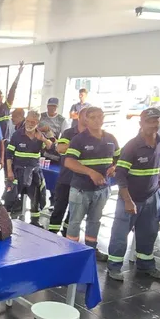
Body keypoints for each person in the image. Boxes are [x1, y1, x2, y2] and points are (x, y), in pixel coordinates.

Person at [106, 108, 160, 282]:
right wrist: (128, 200)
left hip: (151, 197)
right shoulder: (132, 146)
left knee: (149, 233)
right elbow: (120, 175)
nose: (153, 125)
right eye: (149, 121)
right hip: (130, 198)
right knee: (120, 234)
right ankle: (114, 267)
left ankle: (146, 265)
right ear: (141, 123)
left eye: (156, 121)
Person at [62, 107, 119, 259]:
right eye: (93, 117)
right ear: (86, 120)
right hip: (81, 189)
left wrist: (114, 167)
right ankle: (71, 253)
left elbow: (119, 158)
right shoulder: (79, 139)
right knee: (75, 221)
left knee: (95, 221)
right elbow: (69, 162)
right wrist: (91, 172)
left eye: (100, 117)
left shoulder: (110, 139)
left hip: (102, 189)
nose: (97, 120)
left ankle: (91, 250)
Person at [4, 110, 51, 225]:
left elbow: (51, 147)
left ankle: (35, 222)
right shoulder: (17, 135)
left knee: (36, 199)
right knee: (12, 198)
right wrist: (9, 171)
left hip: (34, 173)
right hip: (18, 172)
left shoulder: (40, 136)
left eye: (33, 122)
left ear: (37, 123)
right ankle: (10, 222)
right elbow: (9, 155)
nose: (29, 124)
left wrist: (43, 139)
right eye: (28, 121)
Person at [48, 107, 90, 235]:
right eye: (87, 116)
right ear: (80, 117)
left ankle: (67, 233)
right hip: (66, 178)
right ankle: (52, 233)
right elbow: (60, 148)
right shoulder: (68, 133)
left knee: (75, 212)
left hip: (82, 181)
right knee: (59, 207)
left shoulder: (94, 135)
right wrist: (79, 142)